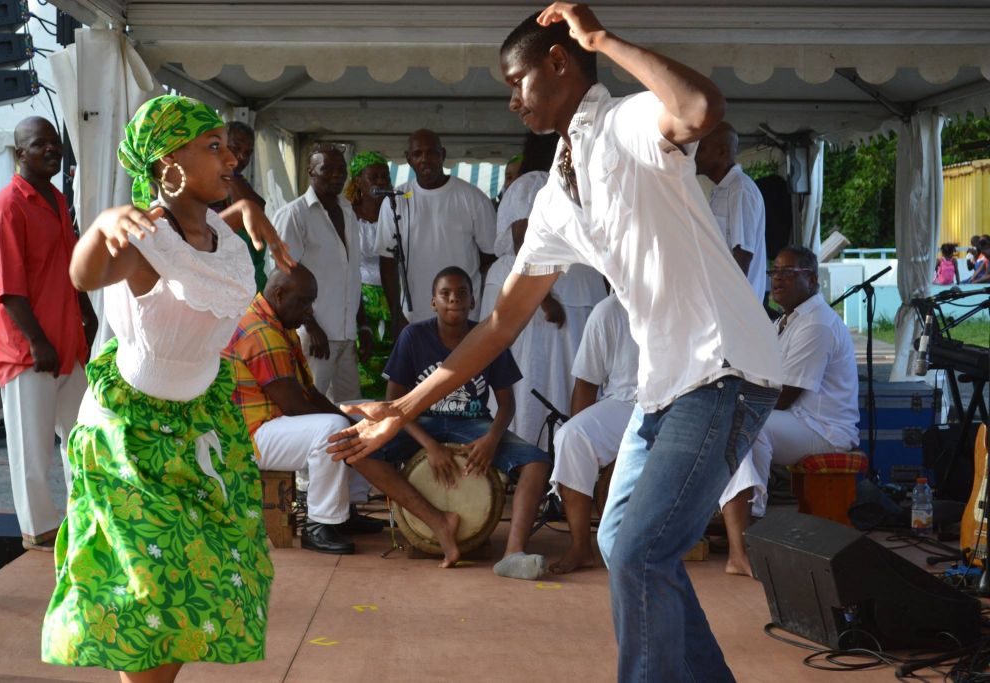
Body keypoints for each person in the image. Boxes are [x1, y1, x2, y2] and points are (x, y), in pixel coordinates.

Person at [328, 6, 781, 681]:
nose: (511, 100)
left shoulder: (629, 122)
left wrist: (604, 40)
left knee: (637, 552)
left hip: (724, 367)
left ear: (561, 63)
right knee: (621, 540)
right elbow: (500, 323)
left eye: (518, 81)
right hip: (665, 385)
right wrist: (405, 407)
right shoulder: (556, 194)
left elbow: (700, 106)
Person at [41, 95, 295, 683]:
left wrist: (245, 214)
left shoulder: (221, 240)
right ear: (165, 164)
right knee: (149, 589)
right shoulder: (139, 238)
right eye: (213, 148)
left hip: (203, 422)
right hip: (133, 432)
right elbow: (84, 275)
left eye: (227, 147)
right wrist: (104, 223)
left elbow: (198, 255)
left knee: (205, 573)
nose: (230, 157)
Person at [352, 267, 552, 578]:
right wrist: (430, 445)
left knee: (537, 464)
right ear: (433, 302)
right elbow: (394, 405)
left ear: (473, 302)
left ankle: (513, 553)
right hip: (421, 424)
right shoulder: (413, 337)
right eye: (445, 294)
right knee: (359, 451)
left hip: (473, 424)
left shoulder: (488, 337)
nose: (454, 299)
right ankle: (437, 521)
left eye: (462, 294)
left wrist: (491, 440)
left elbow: (507, 404)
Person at [0, 116, 97, 551]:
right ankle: (39, 530)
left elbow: (69, 267)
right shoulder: (6, 207)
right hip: (29, 350)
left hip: (68, 343)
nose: (50, 149)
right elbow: (7, 289)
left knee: (83, 437)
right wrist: (37, 341)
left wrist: (86, 312)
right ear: (19, 153)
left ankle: (82, 517)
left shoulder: (57, 201)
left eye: (53, 143)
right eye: (38, 144)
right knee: (32, 449)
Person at [719, 247, 859, 576]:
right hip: (799, 422)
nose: (777, 279)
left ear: (811, 278)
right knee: (734, 422)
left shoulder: (817, 324)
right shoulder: (787, 320)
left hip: (824, 431)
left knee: (748, 426)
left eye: (787, 272)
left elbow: (782, 398)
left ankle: (747, 536)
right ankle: (740, 537)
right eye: (774, 272)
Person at [225, 264, 381, 555]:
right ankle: (319, 525)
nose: (310, 311)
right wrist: (348, 426)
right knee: (333, 429)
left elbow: (310, 393)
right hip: (249, 437)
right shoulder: (259, 331)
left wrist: (357, 423)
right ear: (279, 294)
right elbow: (296, 406)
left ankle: (344, 511)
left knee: (364, 413)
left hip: (273, 424)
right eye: (305, 302)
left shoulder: (278, 322)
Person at [482, 132, 606, 449]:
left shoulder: (580, 182)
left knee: (570, 371)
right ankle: (527, 450)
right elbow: (524, 240)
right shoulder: (531, 182)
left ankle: (566, 452)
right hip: (541, 288)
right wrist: (544, 298)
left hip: (576, 286)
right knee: (533, 372)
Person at [273, 143, 373, 402]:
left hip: (346, 335)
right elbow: (283, 278)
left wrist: (362, 325)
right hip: (314, 338)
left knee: (351, 412)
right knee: (309, 407)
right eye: (327, 169)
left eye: (341, 170)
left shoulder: (349, 211)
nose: (336, 175)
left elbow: (351, 275)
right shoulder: (294, 215)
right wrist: (311, 324)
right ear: (310, 171)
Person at [548, 292, 639, 574]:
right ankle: (580, 547)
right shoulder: (607, 311)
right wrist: (591, 460)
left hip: (675, 403)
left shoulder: (677, 300)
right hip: (624, 403)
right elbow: (586, 383)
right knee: (571, 437)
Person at [376, 129, 497, 329]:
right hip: (414, 317)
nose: (424, 159)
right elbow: (387, 262)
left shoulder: (473, 197)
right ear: (408, 159)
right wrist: (396, 314)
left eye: (431, 152)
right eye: (417, 154)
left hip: (464, 314)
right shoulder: (395, 200)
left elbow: (490, 256)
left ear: (443, 154)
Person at [695, 121, 768, 302]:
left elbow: (742, 255)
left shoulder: (740, 189)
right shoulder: (722, 189)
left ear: (722, 152)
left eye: (701, 148)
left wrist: (730, 304)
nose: (694, 155)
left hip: (736, 306)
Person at [209, 120, 268, 292]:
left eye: (247, 152)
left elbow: (258, 210)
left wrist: (230, 173)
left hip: (245, 282)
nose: (241, 157)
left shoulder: (237, 180)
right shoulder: (205, 181)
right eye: (235, 148)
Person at [345, 151, 393, 331]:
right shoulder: (347, 214)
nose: (381, 181)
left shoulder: (397, 212)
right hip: (359, 297)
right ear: (358, 181)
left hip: (395, 294)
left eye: (384, 177)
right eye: (373, 177)